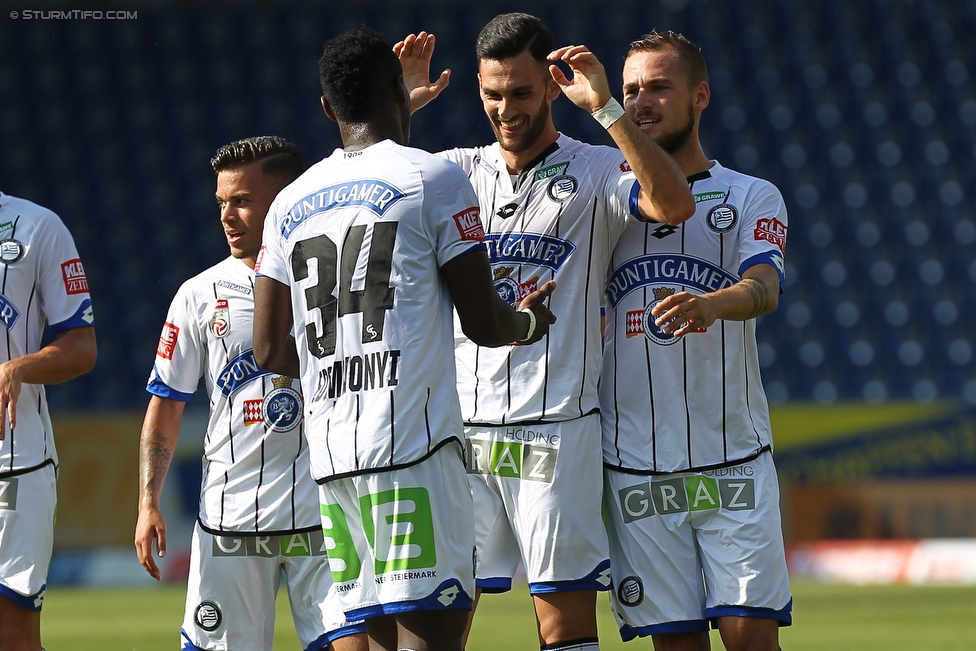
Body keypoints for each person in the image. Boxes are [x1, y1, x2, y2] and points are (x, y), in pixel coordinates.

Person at [395, 13, 695, 651]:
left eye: (523, 92)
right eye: (492, 94)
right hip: (461, 434)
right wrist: (400, 116)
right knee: (434, 623)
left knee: (564, 628)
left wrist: (610, 108)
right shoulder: (449, 173)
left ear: (553, 88)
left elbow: (674, 205)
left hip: (556, 429)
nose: (506, 109)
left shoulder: (594, 171)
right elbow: (349, 197)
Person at [252, 27, 556, 651]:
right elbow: (483, 323)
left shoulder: (289, 202)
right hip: (414, 451)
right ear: (401, 89)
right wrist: (527, 323)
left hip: (333, 463)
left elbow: (268, 352)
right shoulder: (433, 179)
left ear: (328, 109)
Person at [134, 137, 367, 651]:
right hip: (231, 524)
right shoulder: (198, 294)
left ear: (284, 199)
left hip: (326, 517)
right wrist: (148, 500)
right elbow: (166, 403)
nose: (227, 215)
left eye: (241, 200)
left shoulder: (341, 282)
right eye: (221, 202)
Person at [599, 30, 793, 651]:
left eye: (659, 86)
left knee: (751, 640)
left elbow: (764, 288)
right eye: (630, 90)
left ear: (700, 95)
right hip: (636, 468)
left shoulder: (750, 194)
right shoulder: (602, 199)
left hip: (734, 462)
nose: (641, 101)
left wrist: (712, 305)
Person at [0, 192, 97, 651]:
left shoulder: (36, 226)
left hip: (14, 464)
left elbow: (82, 345)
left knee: (12, 635)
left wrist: (20, 367)